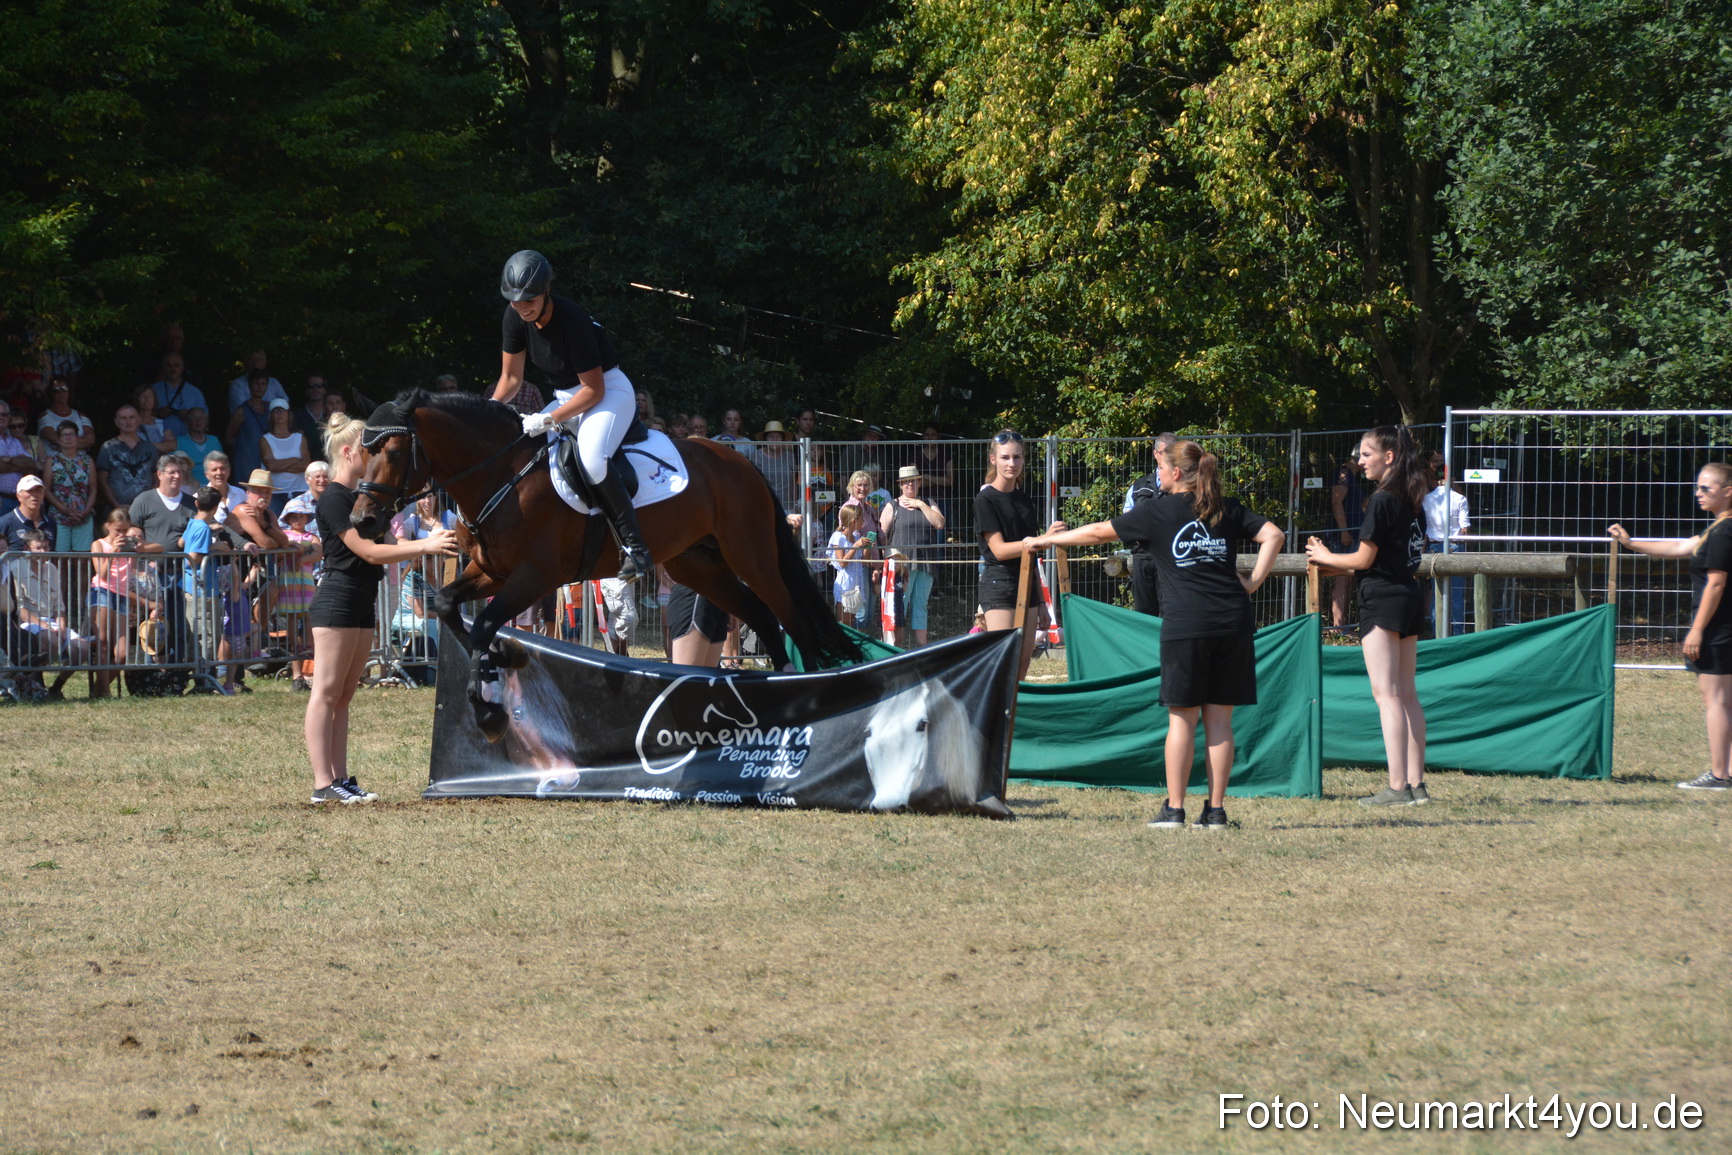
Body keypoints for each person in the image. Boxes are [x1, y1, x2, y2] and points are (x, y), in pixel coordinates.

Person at [1030, 440, 1285, 830]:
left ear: (1176, 473)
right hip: (1233, 624)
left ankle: (1175, 810)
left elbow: (1097, 533)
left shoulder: (1157, 511)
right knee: (1220, 722)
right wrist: (1251, 584)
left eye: (1161, 468)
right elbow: (1274, 535)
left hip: (1187, 626)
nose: (1157, 475)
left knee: (1182, 721)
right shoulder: (1224, 507)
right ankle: (1215, 812)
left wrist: (1046, 539)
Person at [305, 413, 457, 804]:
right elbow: (370, 552)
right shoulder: (334, 498)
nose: (373, 457)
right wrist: (426, 545)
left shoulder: (361, 500)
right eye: (366, 450)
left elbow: (391, 544)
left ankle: (340, 779)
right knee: (326, 692)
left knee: (343, 695)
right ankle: (323, 784)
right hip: (338, 597)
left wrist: (433, 538)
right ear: (347, 452)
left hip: (360, 598)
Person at [493, 249, 652, 581]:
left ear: (546, 291)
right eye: (515, 301)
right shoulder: (514, 317)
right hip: (566, 396)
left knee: (592, 458)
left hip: (608, 391)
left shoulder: (571, 320)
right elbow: (511, 378)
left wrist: (549, 418)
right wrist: (489, 410)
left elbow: (594, 390)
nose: (522, 307)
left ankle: (635, 547)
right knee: (524, 448)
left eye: (529, 300)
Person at [1306, 426, 1430, 806]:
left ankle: (1397, 788)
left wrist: (1324, 556)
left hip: (1383, 599)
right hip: (1409, 595)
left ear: (1388, 457)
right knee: (1407, 693)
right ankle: (1417, 786)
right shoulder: (1413, 499)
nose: (1359, 462)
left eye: (1365, 454)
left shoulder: (1381, 500)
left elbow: (1363, 559)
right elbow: (1392, 556)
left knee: (1387, 695)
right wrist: (1336, 563)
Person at [1609, 464, 1732, 791]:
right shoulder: (1717, 530)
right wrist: (1631, 543)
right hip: (1723, 627)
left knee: (1716, 701)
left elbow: (1716, 584)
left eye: (1706, 488)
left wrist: (1697, 630)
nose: (1698, 493)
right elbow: (1680, 547)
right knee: (1725, 701)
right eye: (1697, 487)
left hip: (1718, 629)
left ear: (1728, 491)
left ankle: (1720, 775)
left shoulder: (1723, 532)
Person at [975, 431, 1066, 675]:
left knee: (1023, 665)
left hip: (1027, 584)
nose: (1011, 463)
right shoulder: (985, 499)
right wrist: (1041, 540)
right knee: (1003, 665)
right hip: (999, 584)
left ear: (1024, 459)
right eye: (1005, 457)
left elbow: (1032, 556)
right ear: (993, 459)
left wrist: (1042, 602)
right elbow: (999, 550)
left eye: (1017, 457)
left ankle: (1017, 703)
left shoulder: (1024, 500)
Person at [8, 529, 92, 699]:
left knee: (82, 648)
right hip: (27, 622)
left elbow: (59, 605)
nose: (43, 552)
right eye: (38, 548)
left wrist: (61, 625)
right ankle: (35, 682)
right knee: (51, 640)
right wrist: (45, 625)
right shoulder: (16, 568)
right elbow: (20, 610)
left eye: (46, 547)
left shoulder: (52, 568)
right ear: (26, 548)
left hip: (51, 622)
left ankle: (56, 687)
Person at [879, 464, 946, 646]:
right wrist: (886, 560)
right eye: (906, 482)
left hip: (926, 562)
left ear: (919, 482)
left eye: (914, 481)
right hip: (901, 565)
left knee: (921, 604)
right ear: (900, 485)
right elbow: (881, 535)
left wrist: (920, 504)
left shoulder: (928, 502)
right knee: (899, 604)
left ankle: (922, 647)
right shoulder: (892, 505)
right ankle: (894, 646)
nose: (910, 485)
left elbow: (939, 524)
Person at [180, 485, 237, 694]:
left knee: (198, 633)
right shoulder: (203, 528)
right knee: (208, 635)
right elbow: (193, 559)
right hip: (201, 589)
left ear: (196, 503)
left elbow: (181, 543)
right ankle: (202, 679)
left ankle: (199, 677)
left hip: (190, 587)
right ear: (215, 508)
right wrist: (213, 547)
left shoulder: (193, 522)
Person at [1122, 432, 1179, 616]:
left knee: (1172, 613)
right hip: (1143, 558)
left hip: (1173, 559)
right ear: (1156, 454)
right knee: (1144, 614)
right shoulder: (1139, 485)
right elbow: (1127, 520)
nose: (1170, 456)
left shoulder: (1184, 485)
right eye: (1166, 452)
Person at [88, 508, 143, 699]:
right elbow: (102, 574)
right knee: (103, 644)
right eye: (117, 530)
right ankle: (104, 693)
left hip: (122, 594)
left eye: (124, 530)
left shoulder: (129, 543)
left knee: (122, 653)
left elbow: (158, 547)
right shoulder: (99, 544)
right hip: (101, 591)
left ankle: (98, 689)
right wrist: (113, 552)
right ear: (108, 526)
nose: (121, 534)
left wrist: (140, 547)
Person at [1422, 448, 1471, 636]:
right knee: (1457, 594)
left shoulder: (1426, 500)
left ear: (1436, 480)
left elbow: (1424, 529)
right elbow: (1464, 528)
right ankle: (1458, 633)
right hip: (1456, 546)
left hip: (1434, 547)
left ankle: (1438, 633)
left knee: (1437, 593)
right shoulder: (1460, 499)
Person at [278, 493, 322, 691]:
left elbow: (319, 552)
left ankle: (309, 647)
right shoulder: (284, 535)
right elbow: (278, 548)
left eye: (301, 516)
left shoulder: (312, 536)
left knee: (309, 616)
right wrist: (292, 550)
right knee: (292, 618)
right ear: (288, 519)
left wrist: (301, 559)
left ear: (307, 518)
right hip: (288, 582)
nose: (297, 520)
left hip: (306, 582)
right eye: (294, 517)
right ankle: (296, 655)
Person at [838, 470, 882, 631]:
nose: (863, 488)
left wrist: (877, 566)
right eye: (859, 485)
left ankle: (862, 643)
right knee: (861, 612)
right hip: (858, 565)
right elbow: (848, 538)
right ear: (851, 487)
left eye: (866, 485)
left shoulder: (868, 507)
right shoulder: (850, 508)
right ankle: (852, 642)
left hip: (871, 563)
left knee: (869, 611)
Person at [1327, 452, 1366, 632]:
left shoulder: (1351, 476)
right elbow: (1336, 502)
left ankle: (1343, 625)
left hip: (1353, 534)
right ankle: (1338, 628)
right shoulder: (1343, 474)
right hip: (1344, 536)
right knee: (1342, 578)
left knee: (1348, 579)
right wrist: (1344, 531)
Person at [96, 405, 159, 515]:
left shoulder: (150, 448)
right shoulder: (108, 447)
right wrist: (117, 506)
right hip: (116, 512)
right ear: (116, 422)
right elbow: (102, 481)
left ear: (139, 420)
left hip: (145, 512)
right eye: (123, 418)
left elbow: (157, 479)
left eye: (131, 417)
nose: (128, 422)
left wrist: (147, 505)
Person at [45, 421, 95, 553]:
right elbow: (46, 489)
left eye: (71, 434)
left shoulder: (87, 461)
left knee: (83, 558)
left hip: (83, 516)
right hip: (59, 515)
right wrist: (64, 510)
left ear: (77, 438)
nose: (68, 438)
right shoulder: (51, 461)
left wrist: (85, 511)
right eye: (64, 435)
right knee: (60, 558)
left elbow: (93, 489)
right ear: (58, 439)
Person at [259, 398, 310, 514]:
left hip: (300, 490)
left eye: (282, 410)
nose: (279, 413)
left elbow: (306, 465)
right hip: (275, 492)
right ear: (271, 416)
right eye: (275, 411)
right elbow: (271, 466)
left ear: (288, 414)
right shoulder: (265, 439)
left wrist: (279, 464)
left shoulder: (300, 438)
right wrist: (294, 460)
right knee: (275, 523)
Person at [225, 369, 274, 478]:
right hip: (247, 462)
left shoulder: (270, 409)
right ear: (249, 385)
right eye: (256, 383)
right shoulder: (241, 411)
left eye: (263, 384)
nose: (259, 387)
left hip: (268, 461)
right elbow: (229, 438)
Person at [829, 504, 869, 624]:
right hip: (845, 584)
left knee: (851, 622)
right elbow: (842, 563)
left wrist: (867, 548)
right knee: (844, 622)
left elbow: (864, 562)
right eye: (861, 518)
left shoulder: (856, 537)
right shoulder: (838, 537)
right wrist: (855, 546)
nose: (864, 522)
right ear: (854, 521)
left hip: (856, 582)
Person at [150, 353, 206, 437]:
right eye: (168, 365)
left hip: (188, 440)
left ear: (182, 367)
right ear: (163, 368)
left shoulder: (195, 392)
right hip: (160, 440)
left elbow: (205, 418)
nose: (172, 368)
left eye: (176, 365)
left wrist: (190, 415)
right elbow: (141, 416)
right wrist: (157, 413)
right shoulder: (153, 390)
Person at [34, 379, 96, 451]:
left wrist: (67, 447)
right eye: (56, 390)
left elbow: (90, 440)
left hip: (79, 458)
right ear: (50, 394)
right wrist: (81, 442)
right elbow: (53, 437)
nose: (61, 392)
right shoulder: (44, 415)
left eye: (64, 389)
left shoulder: (80, 415)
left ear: (69, 391)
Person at [1, 473, 57, 551]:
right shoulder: (5, 523)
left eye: (39, 491)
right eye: (30, 491)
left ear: (43, 495)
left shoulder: (50, 523)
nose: (34, 494)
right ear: (18, 496)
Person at [0, 399, 37, 516]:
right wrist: (19, 465)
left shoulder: (15, 441)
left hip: (18, 500)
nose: (1, 417)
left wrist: (9, 459)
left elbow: (30, 464)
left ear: (8, 417)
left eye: (4, 414)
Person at [225, 350, 287, 415]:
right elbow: (241, 412)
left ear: (265, 362)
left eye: (259, 360)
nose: (255, 363)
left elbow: (285, 404)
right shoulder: (238, 384)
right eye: (251, 360)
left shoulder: (274, 383)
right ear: (246, 362)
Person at [175, 408, 220, 483]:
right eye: (194, 418)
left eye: (202, 418)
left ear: (206, 421)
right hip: (190, 484)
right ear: (187, 421)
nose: (199, 421)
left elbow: (222, 463)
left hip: (214, 482)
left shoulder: (214, 440)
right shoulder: (180, 441)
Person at [131, 385, 179, 455]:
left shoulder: (161, 423)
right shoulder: (131, 422)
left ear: (154, 399)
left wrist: (148, 445)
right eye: (143, 396)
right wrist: (161, 446)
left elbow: (172, 445)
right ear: (137, 400)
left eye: (149, 396)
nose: (147, 399)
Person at [294, 375, 329, 448]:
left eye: (319, 386)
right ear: (306, 391)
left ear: (324, 390)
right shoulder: (298, 416)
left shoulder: (331, 414)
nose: (315, 389)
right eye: (311, 386)